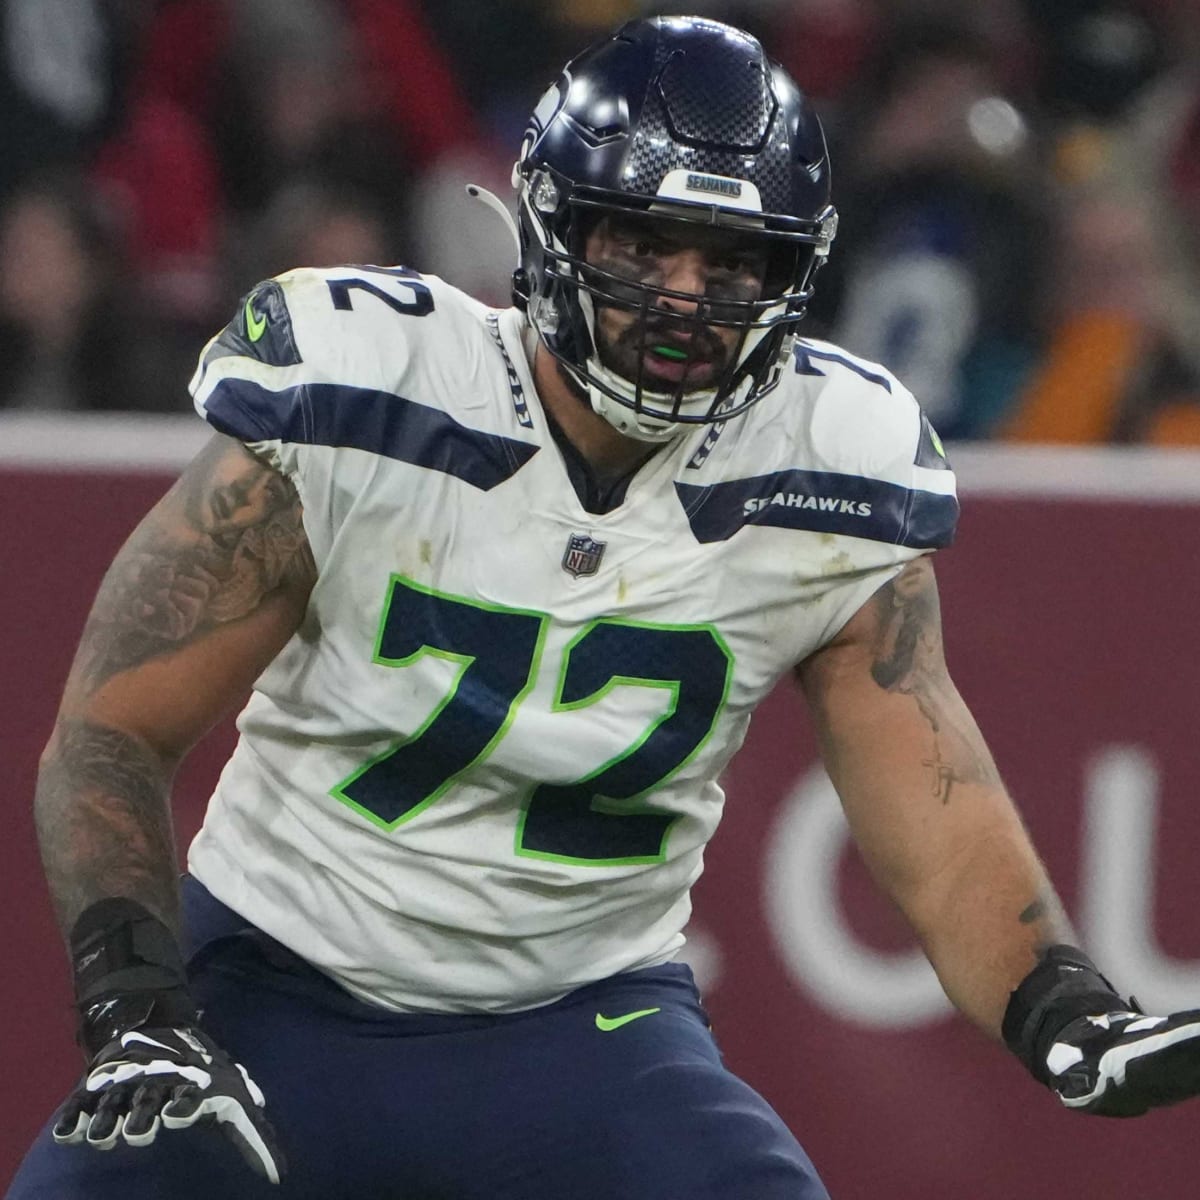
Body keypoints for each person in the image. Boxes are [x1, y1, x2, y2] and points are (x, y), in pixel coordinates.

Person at [9, 16, 1200, 1200]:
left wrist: (1063, 1008)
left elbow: (936, 813)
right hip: (263, 995)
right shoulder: (369, 389)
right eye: (646, 245)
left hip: (580, 1035)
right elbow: (110, 733)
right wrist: (139, 1009)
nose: (686, 301)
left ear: (793, 276)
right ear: (551, 228)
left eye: (733, 263)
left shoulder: (828, 460)